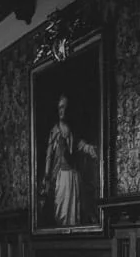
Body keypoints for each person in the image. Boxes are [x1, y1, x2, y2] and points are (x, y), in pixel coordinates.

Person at [42, 93, 98, 226]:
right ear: (57, 109)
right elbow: (49, 156)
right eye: (61, 107)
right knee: (61, 213)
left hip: (74, 177)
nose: (63, 110)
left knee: (75, 214)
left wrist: (91, 149)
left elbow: (81, 145)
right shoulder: (55, 131)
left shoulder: (72, 131)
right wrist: (46, 175)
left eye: (65, 107)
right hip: (61, 177)